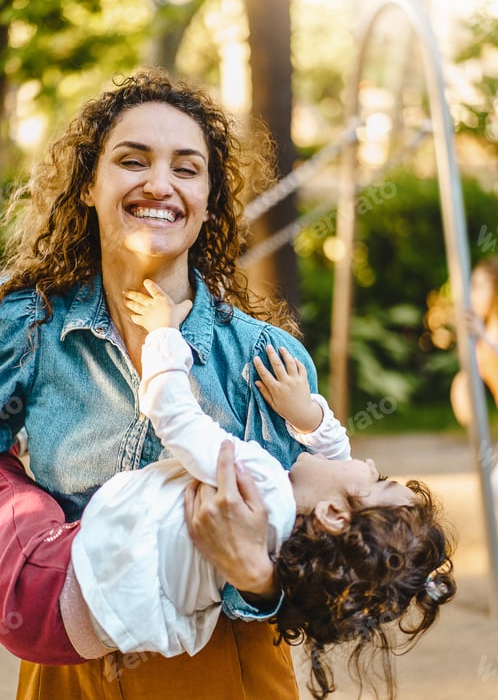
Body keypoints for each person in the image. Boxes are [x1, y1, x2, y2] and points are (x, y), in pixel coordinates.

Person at [0, 67, 323, 700]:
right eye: (132, 160)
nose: (159, 184)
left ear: (208, 200)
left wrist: (257, 578)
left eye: (186, 167)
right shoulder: (26, 330)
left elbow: (328, 549)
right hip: (72, 664)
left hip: (225, 663)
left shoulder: (267, 360)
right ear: (88, 185)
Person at [63, 278, 456, 700]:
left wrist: (163, 337)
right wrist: (308, 417)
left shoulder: (261, 481)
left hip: (65, 586)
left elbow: (175, 415)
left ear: (334, 516)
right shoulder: (292, 538)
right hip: (96, 623)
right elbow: (339, 473)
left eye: (379, 481)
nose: (371, 464)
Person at [450, 256, 498, 427]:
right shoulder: (483, 336)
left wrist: (483, 337)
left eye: (478, 286)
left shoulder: (487, 336)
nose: (471, 295)